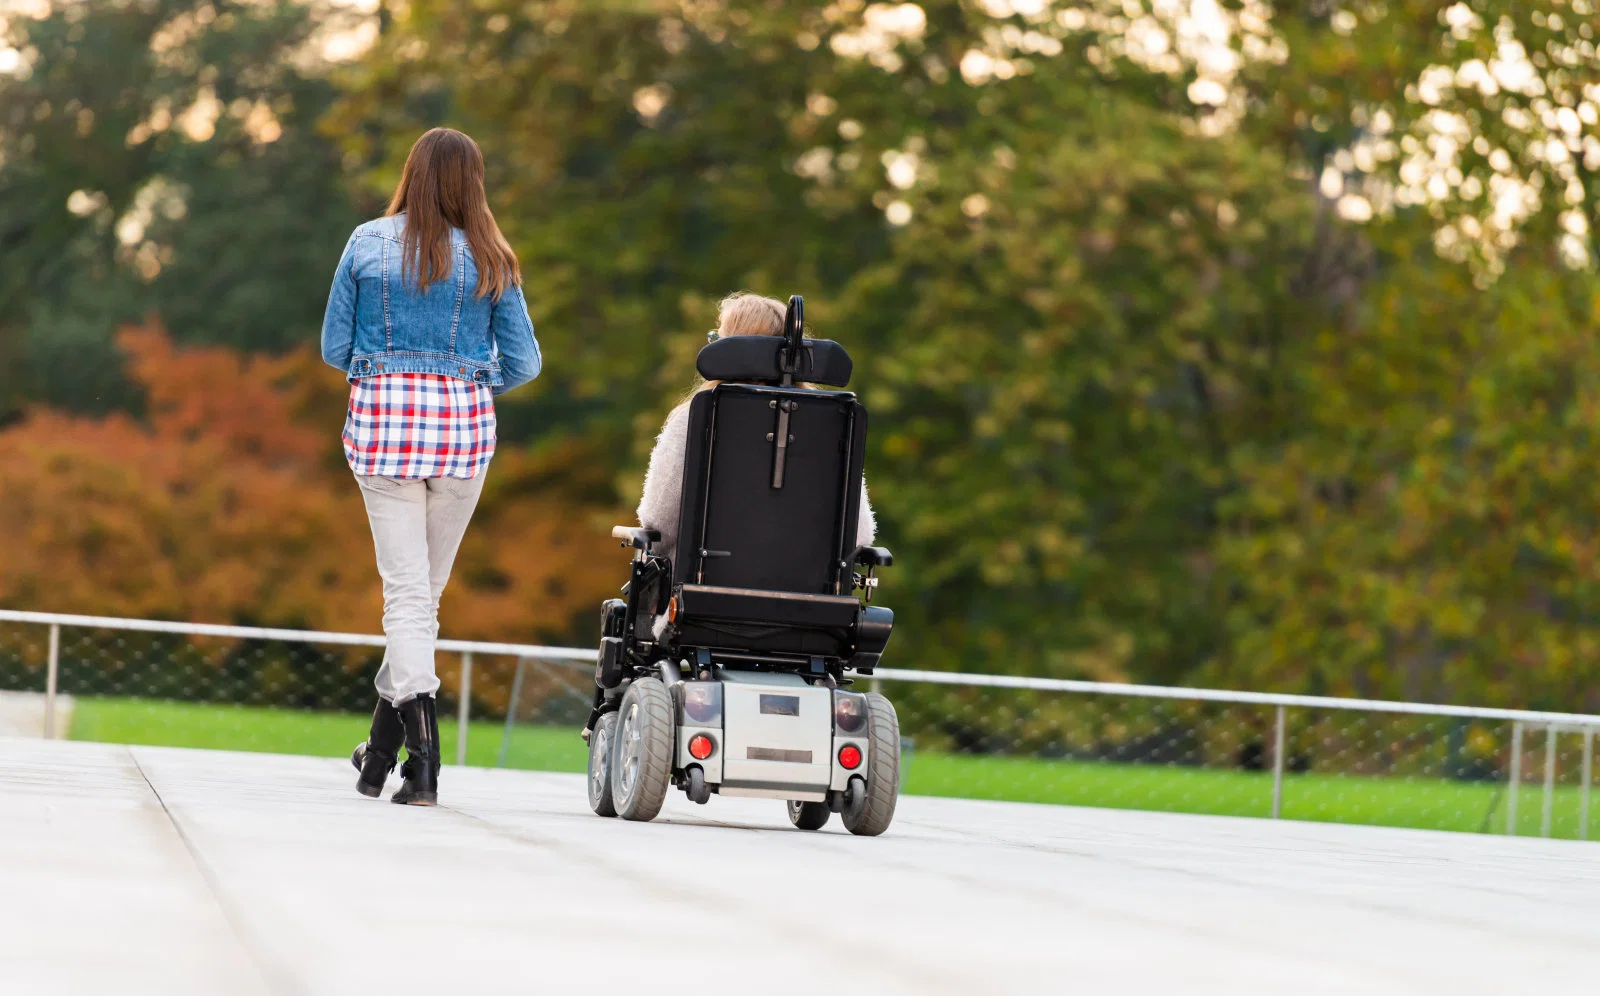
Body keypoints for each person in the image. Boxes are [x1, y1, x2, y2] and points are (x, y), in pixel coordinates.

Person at [320, 127, 542, 805]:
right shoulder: (492, 255)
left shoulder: (366, 242)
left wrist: (389, 370)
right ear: (472, 182)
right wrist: (470, 379)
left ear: (411, 173)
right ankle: (381, 757)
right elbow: (526, 362)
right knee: (421, 599)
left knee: (408, 598)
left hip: (384, 430)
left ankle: (420, 758)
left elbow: (334, 347)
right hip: (462, 435)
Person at [636, 291, 875, 568]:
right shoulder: (833, 423)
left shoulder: (696, 417)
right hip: (809, 605)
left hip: (700, 598)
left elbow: (659, 527)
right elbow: (859, 536)